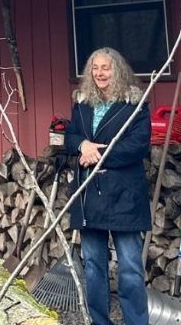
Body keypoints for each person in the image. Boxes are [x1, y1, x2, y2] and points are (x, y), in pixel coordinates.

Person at [65, 47, 151, 325]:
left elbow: (137, 146)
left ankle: (137, 321)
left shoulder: (134, 104)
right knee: (93, 266)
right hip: (90, 193)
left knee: (130, 267)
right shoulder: (82, 103)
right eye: (95, 68)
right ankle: (99, 321)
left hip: (125, 193)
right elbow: (69, 135)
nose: (100, 73)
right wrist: (82, 145)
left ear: (118, 71)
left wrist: (96, 155)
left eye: (106, 68)